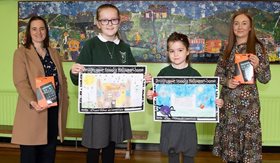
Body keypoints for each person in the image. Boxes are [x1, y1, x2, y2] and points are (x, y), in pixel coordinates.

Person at [70, 4, 151, 163]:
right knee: (94, 146)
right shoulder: (90, 45)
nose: (109, 24)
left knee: (111, 145)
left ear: (119, 22)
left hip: (117, 105)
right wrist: (74, 72)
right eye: (105, 20)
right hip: (96, 107)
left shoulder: (124, 48)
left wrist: (142, 80)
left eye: (113, 20)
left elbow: (132, 76)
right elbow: (77, 80)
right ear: (98, 23)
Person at [146, 32, 224, 163]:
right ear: (168, 53)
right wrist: (150, 96)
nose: (176, 54)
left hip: (188, 124)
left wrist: (215, 103)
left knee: (189, 154)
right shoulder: (164, 73)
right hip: (170, 123)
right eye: (172, 51)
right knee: (172, 154)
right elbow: (155, 99)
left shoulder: (194, 74)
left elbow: (203, 101)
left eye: (180, 50)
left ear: (188, 51)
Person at [212, 11, 271, 163]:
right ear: (232, 27)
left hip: (249, 108)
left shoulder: (258, 49)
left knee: (248, 154)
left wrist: (258, 66)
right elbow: (217, 75)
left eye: (244, 23)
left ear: (250, 27)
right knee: (230, 153)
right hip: (229, 107)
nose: (240, 27)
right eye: (236, 23)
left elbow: (266, 78)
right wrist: (227, 82)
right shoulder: (226, 49)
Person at [12, 16, 69, 163]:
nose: (39, 32)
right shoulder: (21, 53)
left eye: (42, 28)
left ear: (46, 31)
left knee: (48, 154)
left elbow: (62, 78)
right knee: (30, 156)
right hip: (34, 110)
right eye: (34, 29)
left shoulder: (54, 53)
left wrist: (65, 97)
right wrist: (32, 100)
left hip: (53, 110)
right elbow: (20, 81)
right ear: (29, 32)